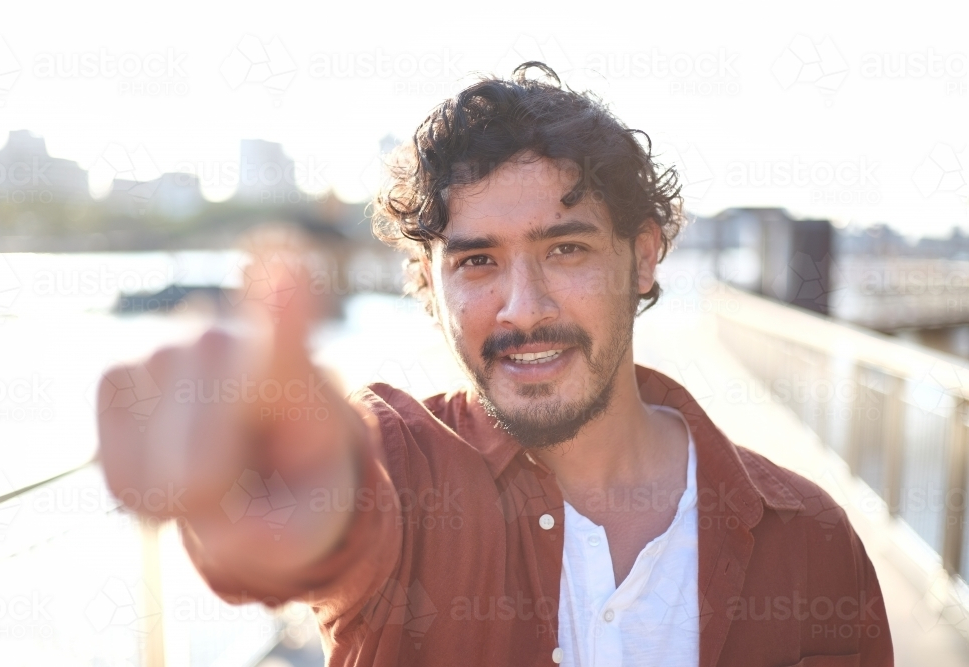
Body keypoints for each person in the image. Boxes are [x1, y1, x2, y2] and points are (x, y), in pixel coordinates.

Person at [97, 62, 893, 666]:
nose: (522, 306)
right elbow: (339, 509)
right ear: (429, 285)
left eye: (566, 248)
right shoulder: (409, 478)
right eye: (477, 263)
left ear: (643, 255)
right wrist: (264, 476)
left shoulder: (811, 545)